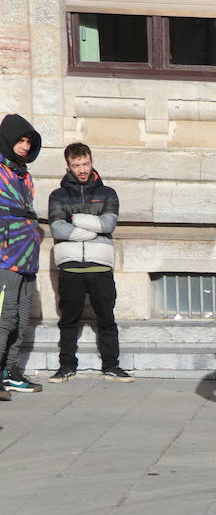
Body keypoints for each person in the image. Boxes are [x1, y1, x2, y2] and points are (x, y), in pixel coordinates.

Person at [46, 142, 132, 382]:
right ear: (68, 166)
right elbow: (57, 228)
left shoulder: (107, 193)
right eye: (76, 165)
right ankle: (66, 366)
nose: (82, 169)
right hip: (71, 265)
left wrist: (75, 219)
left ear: (91, 162)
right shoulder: (58, 195)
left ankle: (111, 366)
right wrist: (91, 228)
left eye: (85, 164)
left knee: (106, 319)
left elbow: (108, 225)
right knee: (68, 320)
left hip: (100, 265)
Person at [0, 113, 44, 399]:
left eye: (29, 141)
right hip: (4, 256)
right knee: (5, 317)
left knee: (23, 316)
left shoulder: (24, 174)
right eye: (20, 140)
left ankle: (10, 371)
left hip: (28, 256)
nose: (25, 146)